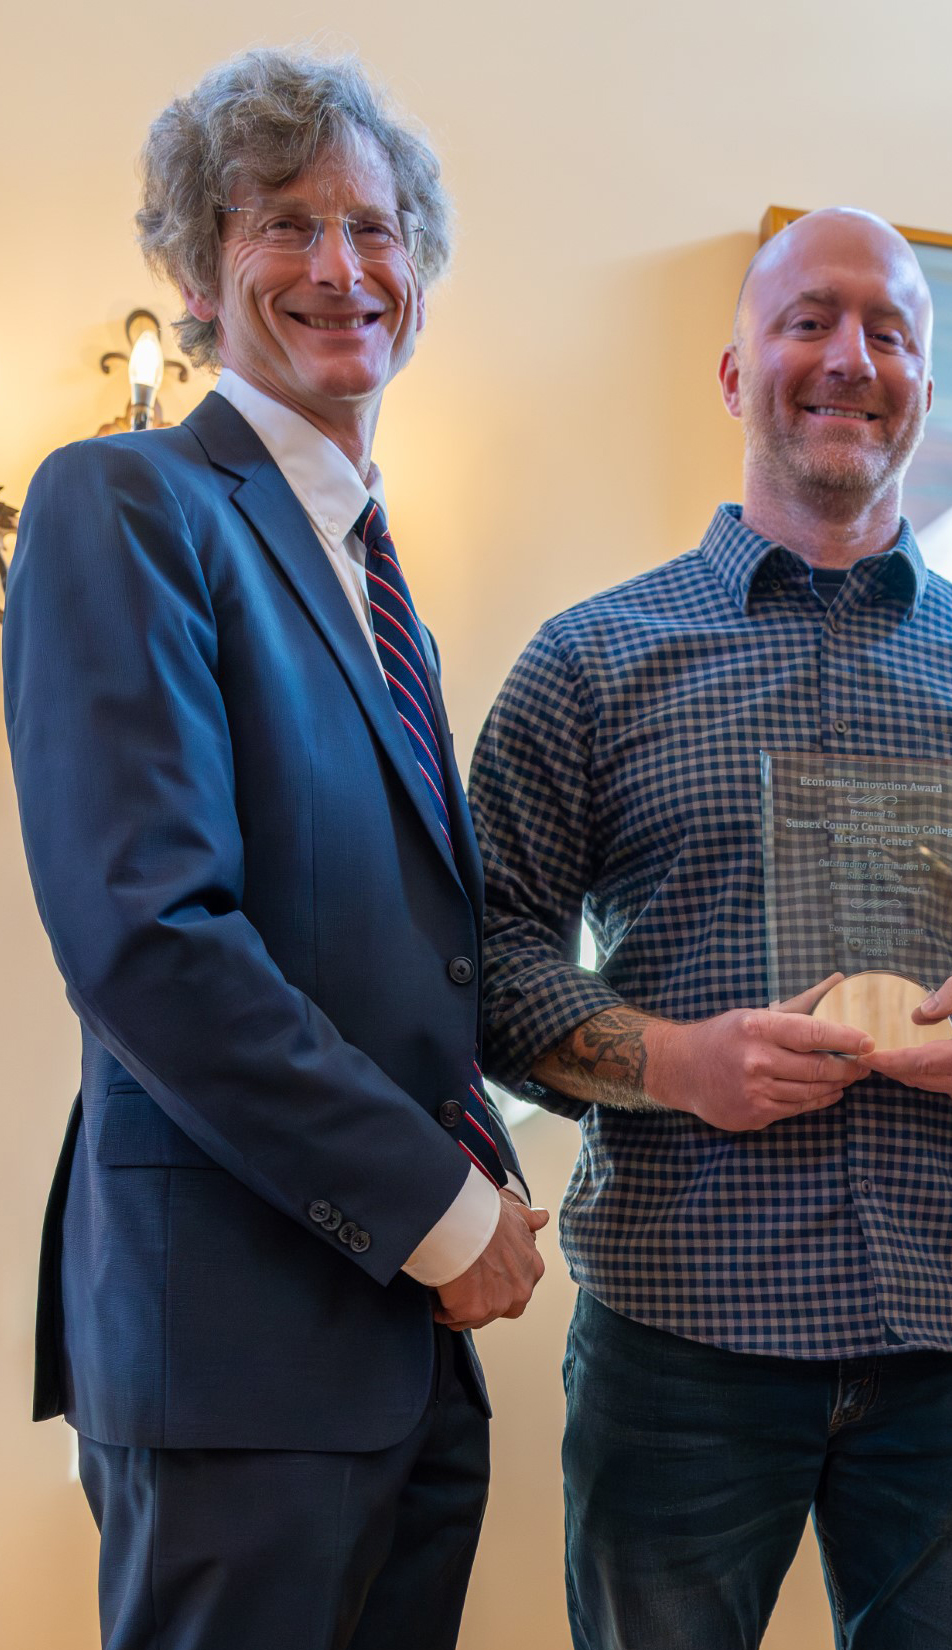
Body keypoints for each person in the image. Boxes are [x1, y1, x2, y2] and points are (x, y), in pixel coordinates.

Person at [470, 206, 952, 1649]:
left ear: (920, 380)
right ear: (734, 372)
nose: (850, 358)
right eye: (808, 321)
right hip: (680, 1339)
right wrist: (672, 1060)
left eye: (888, 332)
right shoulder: (592, 661)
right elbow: (485, 957)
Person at [3, 49, 547, 1650]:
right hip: (237, 1347)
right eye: (283, 224)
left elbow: (389, 951)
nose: (340, 267)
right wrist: (441, 1212)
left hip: (396, 1353)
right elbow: (149, 940)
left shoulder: (384, 586)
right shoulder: (123, 499)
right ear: (193, 265)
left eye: (374, 228)